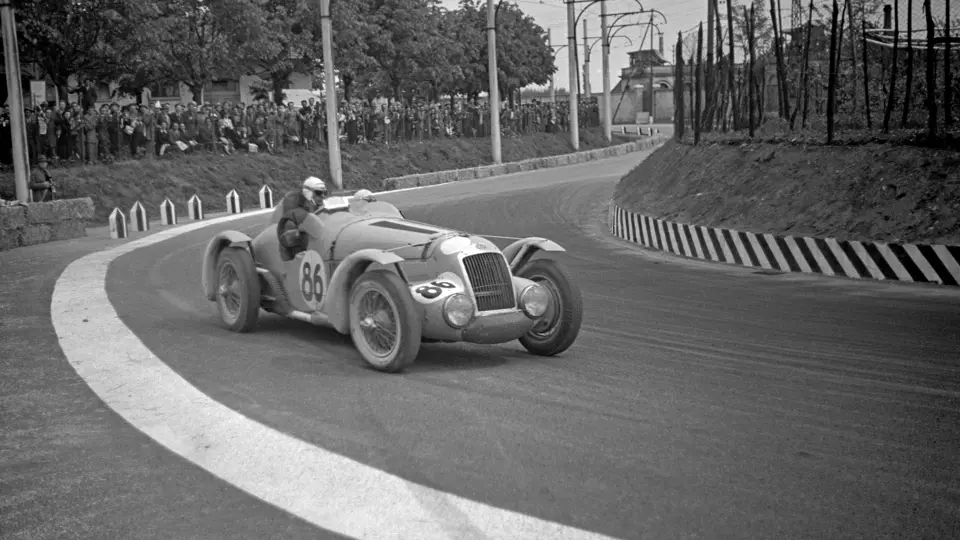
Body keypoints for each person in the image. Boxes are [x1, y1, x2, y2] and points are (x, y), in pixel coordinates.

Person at [277, 176, 328, 256]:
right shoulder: (293, 206)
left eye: (325, 193)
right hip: (291, 248)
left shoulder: (317, 204)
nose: (323, 196)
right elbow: (289, 232)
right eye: (319, 193)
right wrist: (298, 251)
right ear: (309, 193)